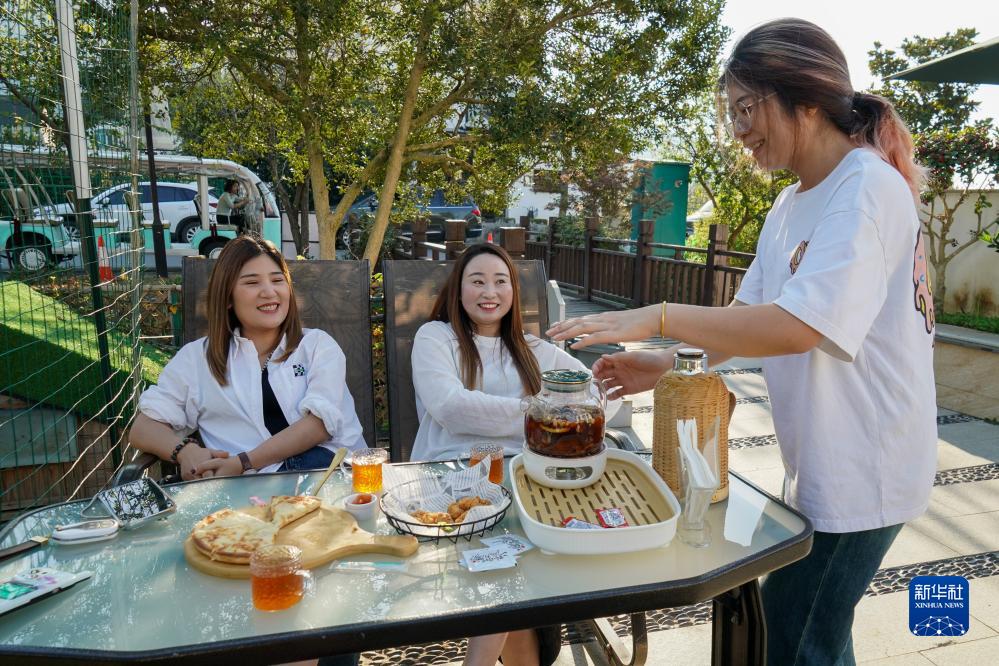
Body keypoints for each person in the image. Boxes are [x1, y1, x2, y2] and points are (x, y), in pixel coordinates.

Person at [547, 18, 935, 666]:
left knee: (792, 632)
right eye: (731, 112)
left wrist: (658, 315)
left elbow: (797, 327)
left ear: (804, 98)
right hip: (825, 457)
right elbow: (748, 314)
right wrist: (665, 363)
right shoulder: (792, 205)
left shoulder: (866, 188)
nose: (737, 129)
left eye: (746, 108)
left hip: (870, 461)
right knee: (811, 635)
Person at [411, 244, 596, 665]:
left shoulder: (533, 348)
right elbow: (451, 407)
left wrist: (552, 410)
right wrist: (542, 411)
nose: (488, 291)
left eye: (500, 281)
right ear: (458, 290)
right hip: (451, 479)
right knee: (504, 560)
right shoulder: (436, 337)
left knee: (507, 556)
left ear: (513, 292)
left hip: (523, 479)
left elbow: (597, 396)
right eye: (477, 281)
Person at [130, 235, 368, 479]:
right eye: (252, 283)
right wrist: (184, 451)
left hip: (330, 478)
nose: (269, 292)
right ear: (228, 297)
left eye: (277, 280)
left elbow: (319, 426)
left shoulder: (317, 346)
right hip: (243, 495)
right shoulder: (197, 359)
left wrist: (243, 463)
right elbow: (143, 428)